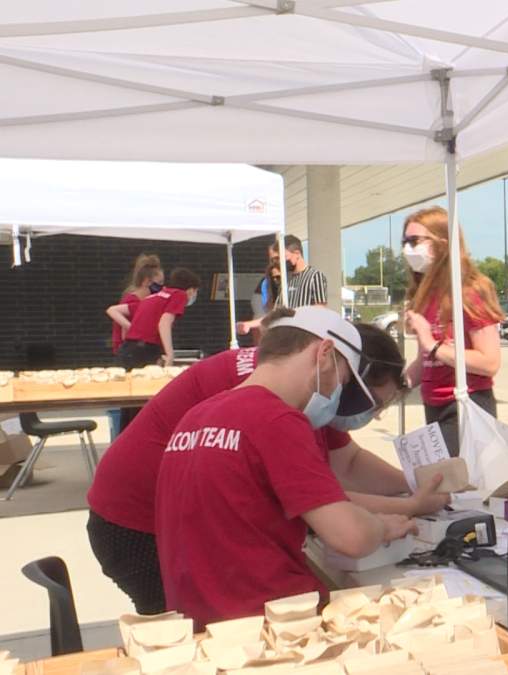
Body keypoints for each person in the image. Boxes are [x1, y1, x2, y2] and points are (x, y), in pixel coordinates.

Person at [87, 311, 447, 615]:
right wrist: (384, 526)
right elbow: (348, 533)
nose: (340, 395)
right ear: (324, 354)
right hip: (265, 618)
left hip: (208, 609)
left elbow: (332, 476)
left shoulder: (202, 412)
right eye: (345, 381)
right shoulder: (279, 419)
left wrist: (407, 490)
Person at [401, 207, 504, 456]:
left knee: (462, 488)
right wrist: (394, 387)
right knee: (445, 487)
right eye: (404, 242)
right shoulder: (424, 293)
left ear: (442, 243)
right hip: (433, 404)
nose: (407, 249)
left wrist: (433, 345)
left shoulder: (470, 291)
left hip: (467, 405)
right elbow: (424, 360)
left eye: (415, 241)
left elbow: (490, 362)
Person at [109, 268, 202, 369]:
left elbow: (113, 310)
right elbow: (164, 323)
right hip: (145, 349)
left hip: (128, 349)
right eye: (195, 291)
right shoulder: (179, 295)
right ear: (191, 290)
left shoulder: (153, 298)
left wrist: (131, 327)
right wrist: (170, 354)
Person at [237, 235, 327, 334]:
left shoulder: (315, 276)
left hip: (305, 337)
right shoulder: (285, 280)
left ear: (297, 254)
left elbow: (320, 310)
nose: (280, 263)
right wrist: (249, 324)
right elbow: (276, 314)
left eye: (283, 258)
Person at [111, 255, 163, 358]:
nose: (162, 287)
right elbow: (124, 335)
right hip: (131, 353)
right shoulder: (133, 301)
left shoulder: (146, 301)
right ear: (146, 282)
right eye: (160, 283)